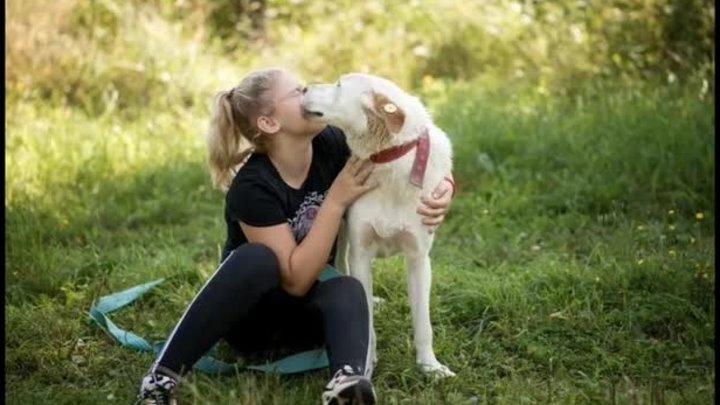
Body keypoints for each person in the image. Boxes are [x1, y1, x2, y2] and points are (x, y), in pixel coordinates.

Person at [135, 67, 455, 405]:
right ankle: (161, 378)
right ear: (270, 123)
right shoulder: (252, 188)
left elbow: (403, 145)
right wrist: (335, 201)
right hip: (255, 322)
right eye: (297, 92)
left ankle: (347, 382)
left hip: (311, 321)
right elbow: (295, 280)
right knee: (256, 258)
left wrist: (444, 186)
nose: (309, 93)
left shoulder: (331, 145)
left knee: (348, 288)